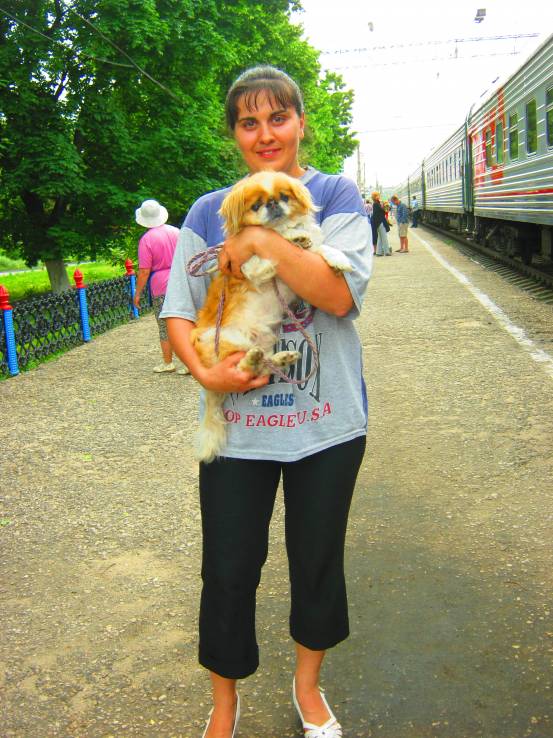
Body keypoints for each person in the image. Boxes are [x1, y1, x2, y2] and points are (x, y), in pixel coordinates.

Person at [160, 65, 372, 738]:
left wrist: (257, 240)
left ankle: (307, 688)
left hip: (326, 424)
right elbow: (179, 311)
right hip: (240, 431)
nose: (265, 134)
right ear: (234, 134)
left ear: (301, 122)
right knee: (226, 571)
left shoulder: (334, 195)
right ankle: (224, 704)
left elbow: (336, 295)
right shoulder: (206, 211)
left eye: (278, 117)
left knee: (316, 562)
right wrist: (204, 371)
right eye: (248, 122)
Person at [133, 199, 189, 374]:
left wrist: (137, 293)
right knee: (185, 320)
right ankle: (190, 363)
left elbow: (144, 271)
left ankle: (168, 362)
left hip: (161, 284)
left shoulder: (146, 240)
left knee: (165, 325)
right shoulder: (176, 232)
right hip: (181, 279)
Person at [370, 191, 391, 256]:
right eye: (378, 195)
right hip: (380, 222)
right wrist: (385, 207)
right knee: (384, 237)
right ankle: (387, 251)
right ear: (375, 197)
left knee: (380, 238)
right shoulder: (376, 204)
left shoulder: (376, 203)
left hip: (379, 223)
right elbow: (381, 212)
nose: (379, 196)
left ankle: (378, 252)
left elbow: (382, 211)